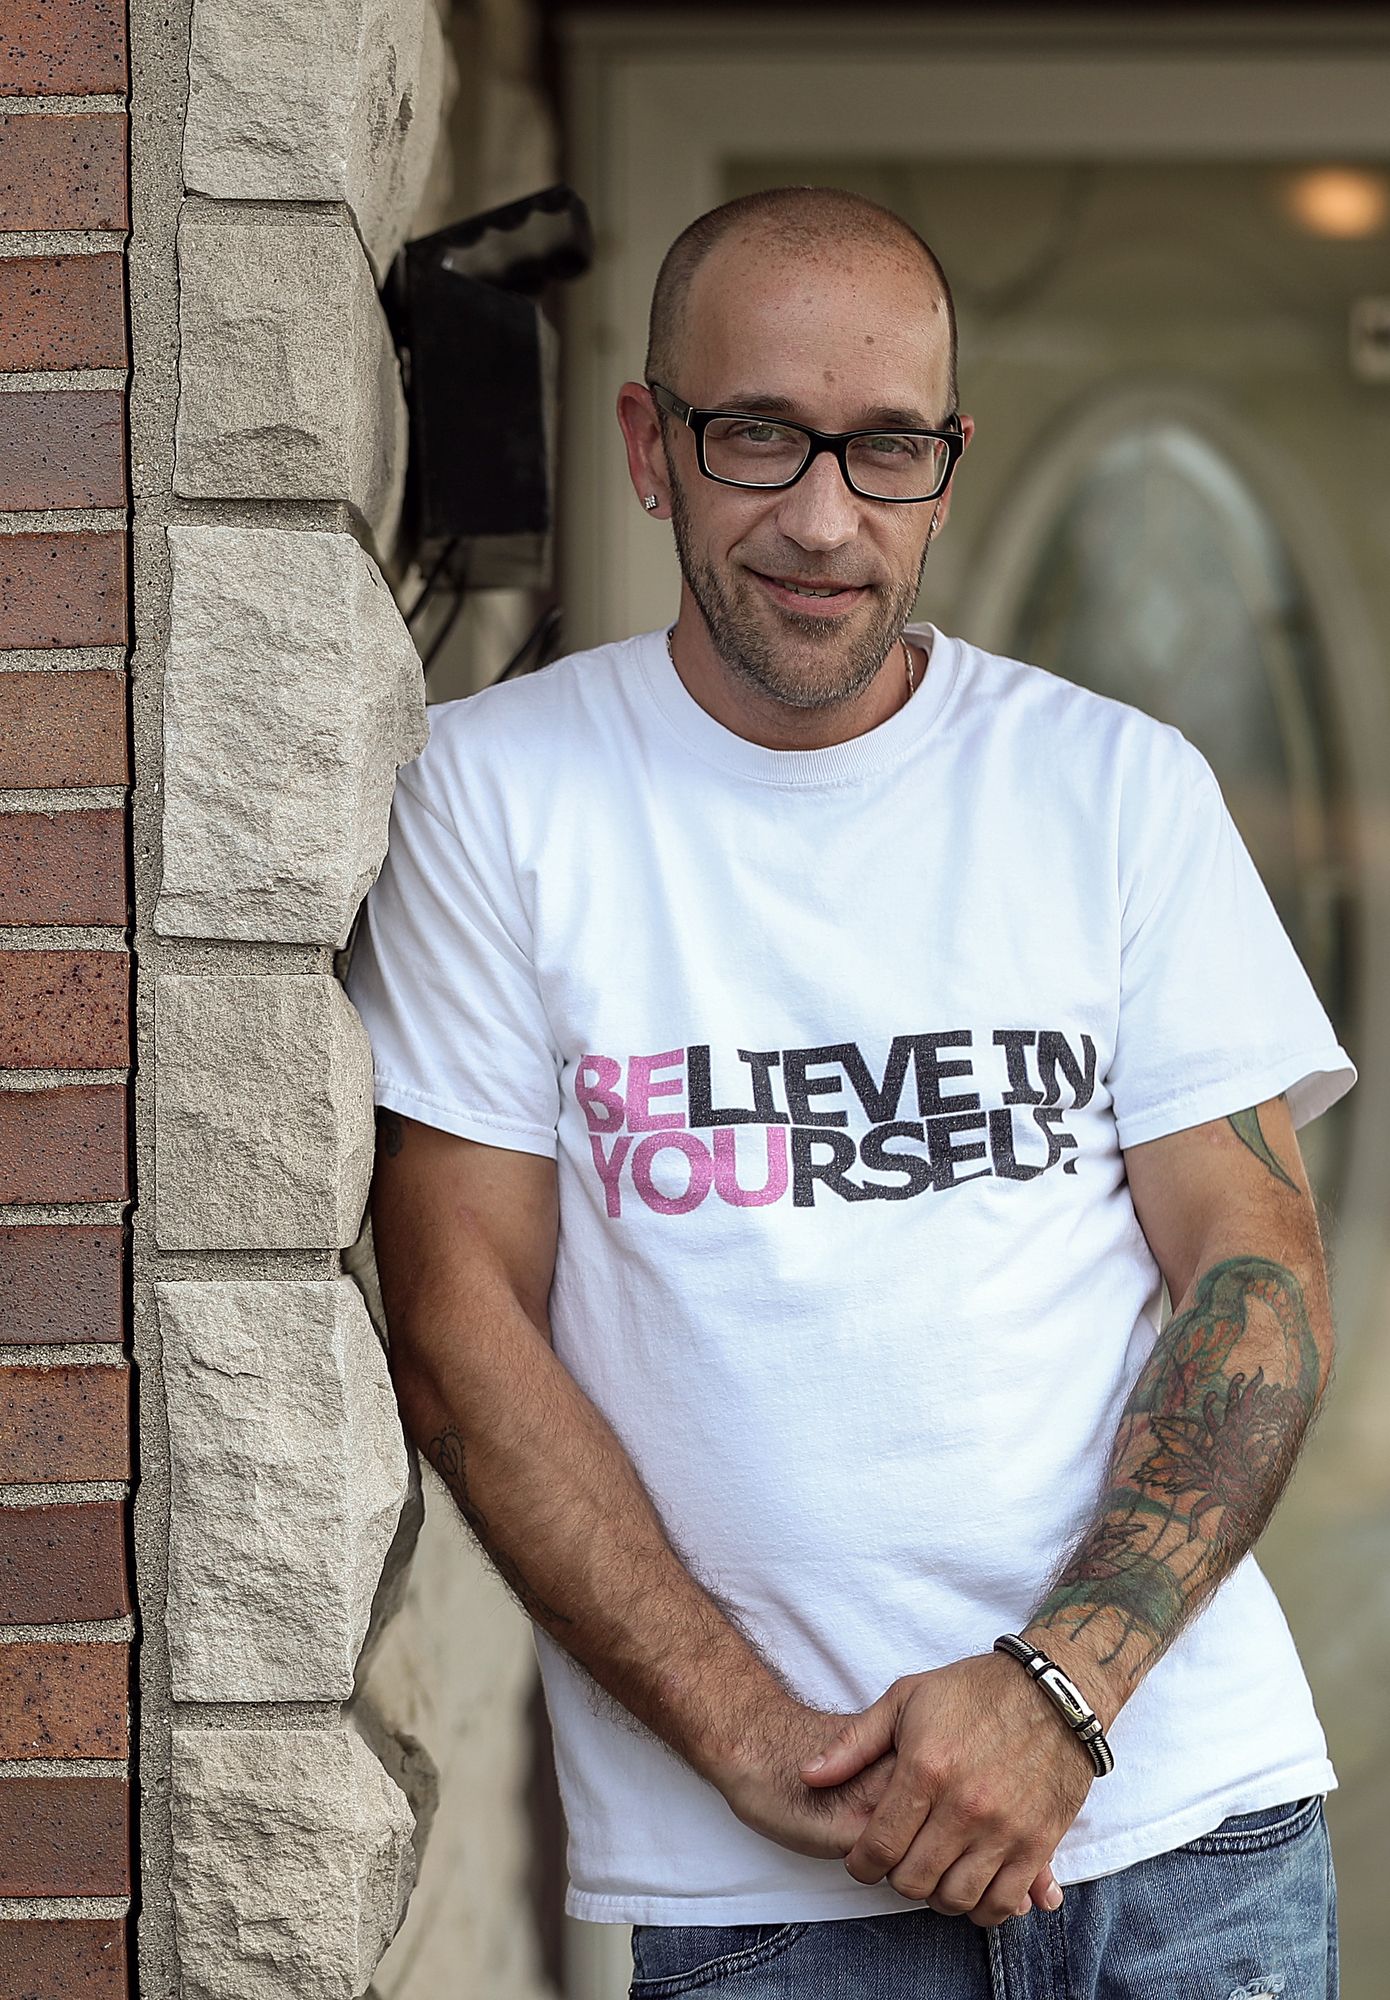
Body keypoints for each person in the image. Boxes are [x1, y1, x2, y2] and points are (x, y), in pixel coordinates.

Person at [344, 187, 1353, 1998]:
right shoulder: (500, 800)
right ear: (652, 448)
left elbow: (1252, 1275)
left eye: (884, 449)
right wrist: (749, 1743)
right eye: (758, 437)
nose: (822, 518)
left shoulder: (1110, 791)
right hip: (773, 1887)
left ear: (946, 470)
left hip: (1182, 1833)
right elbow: (455, 1318)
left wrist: (1059, 1696)